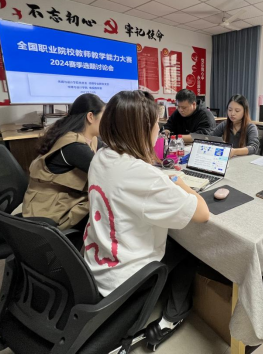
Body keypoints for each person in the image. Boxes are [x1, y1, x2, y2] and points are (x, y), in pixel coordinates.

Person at [84, 90, 210, 349]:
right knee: (189, 248)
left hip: (95, 262)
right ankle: (172, 318)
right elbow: (202, 213)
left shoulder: (100, 157)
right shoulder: (142, 176)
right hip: (125, 278)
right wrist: (179, 182)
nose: (159, 130)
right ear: (142, 130)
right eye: (156, 125)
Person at [22, 93, 105, 231]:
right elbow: (107, 172)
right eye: (104, 117)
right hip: (51, 208)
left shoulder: (88, 138)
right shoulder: (73, 146)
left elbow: (110, 152)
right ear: (90, 117)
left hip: (66, 198)